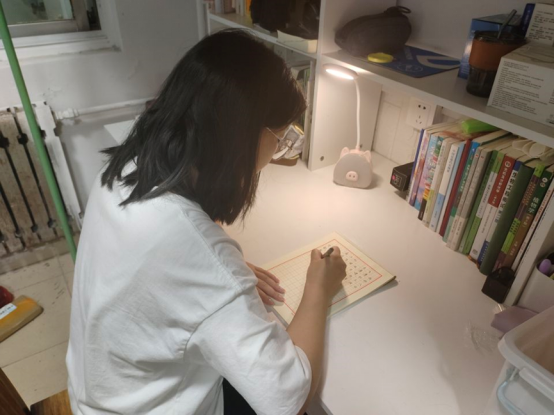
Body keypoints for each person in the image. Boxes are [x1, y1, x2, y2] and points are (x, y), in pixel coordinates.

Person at [66, 29, 346, 415]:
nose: (277, 151)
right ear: (242, 138)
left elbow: (172, 264)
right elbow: (289, 403)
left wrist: (217, 279)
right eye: (280, 138)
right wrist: (318, 287)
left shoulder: (127, 166)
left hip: (98, 394)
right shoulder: (193, 250)